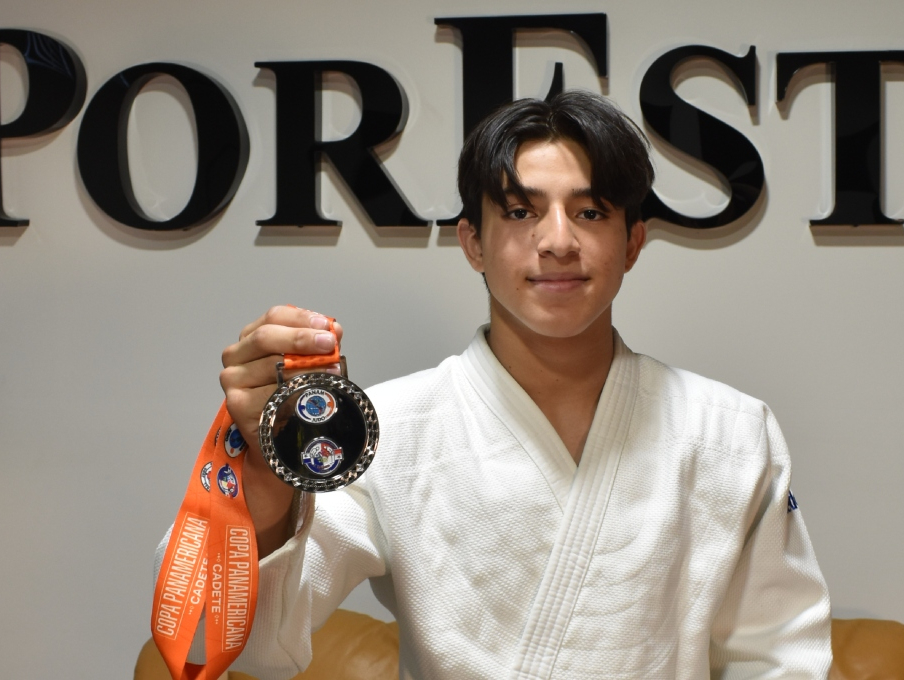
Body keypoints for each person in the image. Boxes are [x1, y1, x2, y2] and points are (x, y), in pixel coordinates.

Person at [168, 91, 832, 679]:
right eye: (519, 211)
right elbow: (221, 641)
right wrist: (267, 479)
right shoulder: (388, 431)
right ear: (473, 244)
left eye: (591, 212)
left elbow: (782, 659)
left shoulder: (729, 432)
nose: (558, 241)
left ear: (633, 242)